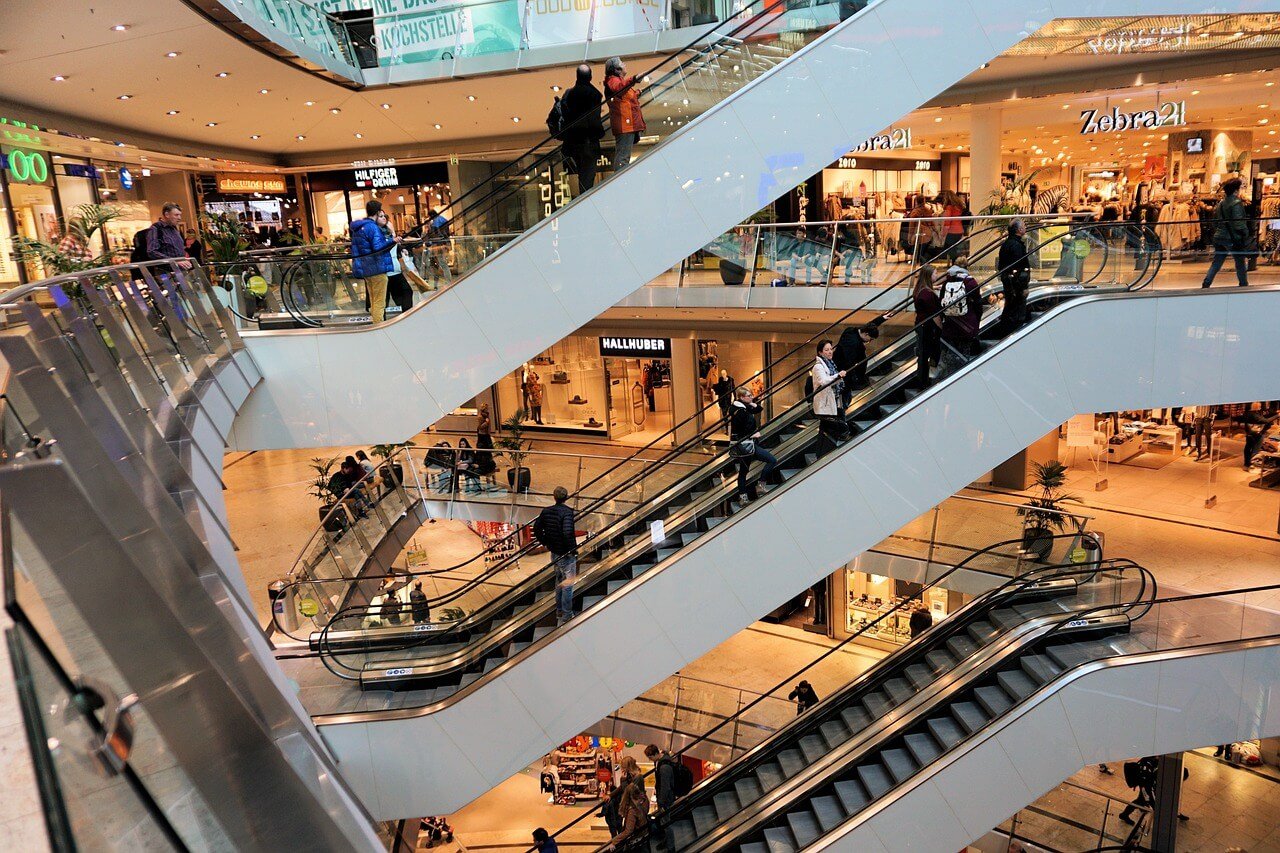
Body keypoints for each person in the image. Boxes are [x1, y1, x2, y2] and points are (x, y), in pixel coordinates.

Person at [532, 486, 577, 625]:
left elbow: (536, 528)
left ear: (554, 497)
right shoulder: (567, 513)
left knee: (559, 581)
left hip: (554, 553)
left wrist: (545, 541)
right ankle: (567, 615)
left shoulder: (546, 511)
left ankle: (559, 610)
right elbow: (567, 532)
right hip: (565, 553)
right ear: (566, 497)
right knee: (568, 584)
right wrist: (573, 550)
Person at [559, 64, 605, 192]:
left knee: (582, 175)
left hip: (573, 142)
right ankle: (585, 203)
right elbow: (594, 120)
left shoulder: (569, 94)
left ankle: (583, 200)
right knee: (587, 176)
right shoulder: (595, 94)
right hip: (589, 142)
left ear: (577, 76)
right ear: (590, 76)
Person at [729, 386, 779, 503]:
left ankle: (743, 497)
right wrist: (752, 434)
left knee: (743, 471)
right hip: (746, 444)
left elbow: (759, 409)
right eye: (749, 396)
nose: (752, 397)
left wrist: (753, 404)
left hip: (747, 445)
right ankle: (760, 486)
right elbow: (738, 430)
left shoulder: (743, 408)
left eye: (751, 395)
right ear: (741, 397)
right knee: (771, 460)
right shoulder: (741, 412)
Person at [350, 200, 397, 324]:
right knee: (379, 302)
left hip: (366, 269)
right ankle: (379, 327)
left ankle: (376, 325)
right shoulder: (373, 227)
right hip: (377, 268)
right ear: (377, 212)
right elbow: (378, 247)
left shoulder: (359, 228)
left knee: (373, 300)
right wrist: (393, 241)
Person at [936, 260, 982, 380]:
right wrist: (976, 321)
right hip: (967, 325)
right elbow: (978, 304)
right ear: (967, 267)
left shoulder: (947, 281)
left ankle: (948, 378)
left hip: (950, 324)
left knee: (950, 353)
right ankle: (961, 378)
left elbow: (941, 302)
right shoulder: (970, 282)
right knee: (964, 353)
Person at [1202, 177, 1251, 288]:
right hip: (1232, 238)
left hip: (1219, 237)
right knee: (1240, 262)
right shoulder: (1236, 203)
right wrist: (1245, 234)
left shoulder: (1221, 204)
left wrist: (1219, 232)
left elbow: (1215, 222)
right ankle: (1244, 284)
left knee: (1217, 262)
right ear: (1236, 190)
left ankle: (1206, 283)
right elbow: (1238, 224)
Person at [604, 57, 645, 174]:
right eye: (622, 63)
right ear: (617, 69)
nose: (624, 64)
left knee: (623, 156)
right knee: (623, 157)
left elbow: (624, 99)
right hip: (625, 124)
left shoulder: (617, 81)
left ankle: (621, 180)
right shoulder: (613, 81)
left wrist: (638, 93)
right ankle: (620, 182)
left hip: (627, 124)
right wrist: (634, 79)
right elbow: (619, 88)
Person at [811, 340, 850, 447]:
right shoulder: (818, 366)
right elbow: (823, 381)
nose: (830, 352)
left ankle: (823, 451)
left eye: (831, 349)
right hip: (824, 403)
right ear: (820, 352)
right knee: (840, 427)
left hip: (832, 401)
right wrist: (838, 376)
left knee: (826, 430)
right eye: (826, 350)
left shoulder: (830, 364)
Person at [997, 219, 1032, 333]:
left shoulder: (1006, 244)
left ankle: (1006, 330)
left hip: (1009, 282)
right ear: (1019, 229)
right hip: (1016, 285)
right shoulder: (1016, 245)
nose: (1025, 227)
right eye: (1023, 226)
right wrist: (1023, 287)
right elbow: (1019, 267)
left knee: (1010, 307)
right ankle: (1013, 332)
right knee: (1016, 310)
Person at [912, 266, 942, 389]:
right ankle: (923, 383)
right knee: (925, 355)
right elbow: (935, 315)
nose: (937, 275)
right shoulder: (928, 295)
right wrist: (941, 328)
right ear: (929, 275)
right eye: (935, 273)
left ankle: (922, 381)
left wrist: (935, 287)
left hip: (920, 324)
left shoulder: (920, 289)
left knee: (922, 355)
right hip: (927, 327)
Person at [644, 744, 678, 852]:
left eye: (650, 757)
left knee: (666, 823)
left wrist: (661, 802)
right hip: (666, 799)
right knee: (664, 822)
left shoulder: (664, 767)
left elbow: (665, 787)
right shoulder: (663, 762)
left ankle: (671, 847)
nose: (650, 760)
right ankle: (667, 841)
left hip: (666, 800)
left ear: (654, 754)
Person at [833, 323, 879, 403]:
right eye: (870, 339)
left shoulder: (850, 330)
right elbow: (850, 360)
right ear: (866, 334)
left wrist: (881, 319)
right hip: (843, 373)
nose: (869, 341)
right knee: (844, 398)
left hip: (839, 368)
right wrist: (856, 377)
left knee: (843, 397)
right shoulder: (854, 343)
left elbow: (869, 325)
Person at [603, 782, 650, 853]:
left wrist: (614, 841)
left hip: (637, 838)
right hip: (645, 832)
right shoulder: (644, 799)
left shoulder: (632, 811)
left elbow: (628, 830)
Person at [143, 203, 191, 267]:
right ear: (167, 214)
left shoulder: (175, 229)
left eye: (180, 215)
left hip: (181, 269)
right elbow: (152, 252)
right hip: (166, 271)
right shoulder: (155, 228)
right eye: (176, 215)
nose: (179, 218)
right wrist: (174, 261)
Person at [1118, 756, 1158, 825]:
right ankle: (1124, 814)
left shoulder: (1151, 759)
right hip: (1144, 783)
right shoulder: (1147, 766)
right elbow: (1148, 790)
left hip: (1144, 782)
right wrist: (1156, 808)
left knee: (1141, 799)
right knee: (1141, 800)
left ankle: (1140, 806)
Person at [1242, 407, 1276, 471]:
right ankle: (1253, 465)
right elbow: (1265, 421)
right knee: (1255, 449)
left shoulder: (1249, 412)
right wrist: (1277, 415)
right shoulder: (1254, 414)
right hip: (1257, 433)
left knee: (1248, 448)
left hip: (1250, 433)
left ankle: (1247, 464)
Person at [939, 191, 967, 261]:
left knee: (950, 250)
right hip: (960, 230)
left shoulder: (949, 207)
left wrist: (943, 233)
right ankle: (957, 263)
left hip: (952, 231)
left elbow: (947, 221)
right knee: (955, 249)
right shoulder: (958, 207)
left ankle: (955, 264)